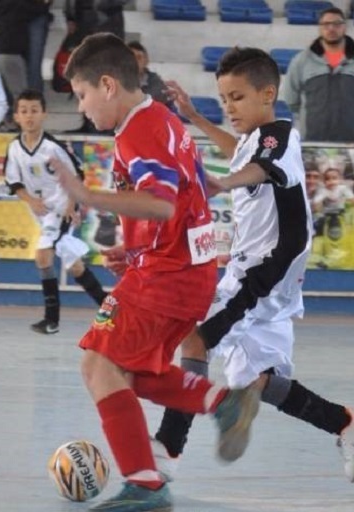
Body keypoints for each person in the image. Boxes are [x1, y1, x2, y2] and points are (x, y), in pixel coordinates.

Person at [52, 33, 262, 511]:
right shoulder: (158, 119)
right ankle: (221, 402)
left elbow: (161, 205)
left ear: (107, 85)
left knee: (99, 365)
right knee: (129, 371)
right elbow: (181, 203)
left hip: (168, 278)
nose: (83, 108)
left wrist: (87, 198)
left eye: (82, 95)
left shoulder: (140, 130)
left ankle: (145, 485)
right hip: (179, 270)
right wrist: (136, 246)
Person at [151, 47, 354, 485]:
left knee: (195, 339)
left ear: (268, 94)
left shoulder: (280, 136)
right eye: (223, 99)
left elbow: (258, 167)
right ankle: (344, 424)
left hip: (265, 271)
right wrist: (195, 117)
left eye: (237, 98)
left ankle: (165, 454)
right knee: (259, 381)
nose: (229, 107)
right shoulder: (255, 141)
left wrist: (223, 181)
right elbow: (241, 151)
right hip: (271, 278)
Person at [3, 89, 107, 334]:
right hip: (40, 212)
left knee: (42, 257)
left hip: (60, 208)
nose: (29, 116)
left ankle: (52, 319)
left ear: (44, 114)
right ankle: (112, 309)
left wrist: (71, 204)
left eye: (34, 111)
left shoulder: (53, 147)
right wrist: (31, 201)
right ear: (16, 116)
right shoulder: (15, 149)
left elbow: (77, 174)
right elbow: (13, 183)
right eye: (24, 111)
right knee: (75, 267)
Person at [283, 7, 354, 142]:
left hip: (351, 144)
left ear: (345, 27)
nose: (331, 28)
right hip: (312, 141)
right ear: (319, 28)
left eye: (337, 24)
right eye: (326, 24)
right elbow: (291, 101)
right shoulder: (301, 61)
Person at [126, 41, 172, 109]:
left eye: (139, 57)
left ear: (146, 61)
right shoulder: (116, 82)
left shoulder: (157, 84)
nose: (134, 61)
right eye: (131, 57)